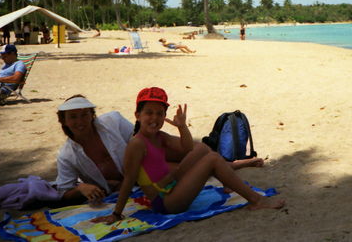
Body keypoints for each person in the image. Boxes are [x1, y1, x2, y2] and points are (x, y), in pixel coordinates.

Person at [93, 87, 284, 223]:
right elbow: (128, 180)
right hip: (166, 202)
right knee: (213, 158)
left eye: (160, 114)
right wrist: (117, 214)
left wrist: (182, 127)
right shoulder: (137, 144)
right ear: (137, 115)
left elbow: (187, 148)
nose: (154, 119)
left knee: (202, 148)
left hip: (172, 186)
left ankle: (227, 180)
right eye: (148, 113)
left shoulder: (160, 137)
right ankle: (257, 200)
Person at [55, 94, 263, 205]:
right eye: (73, 117)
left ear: (91, 115)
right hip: (138, 176)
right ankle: (233, 168)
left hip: (144, 158)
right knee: (191, 165)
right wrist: (82, 188)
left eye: (84, 115)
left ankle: (233, 166)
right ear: (63, 121)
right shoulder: (67, 156)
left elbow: (141, 137)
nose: (80, 121)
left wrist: (172, 135)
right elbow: (64, 192)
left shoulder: (111, 121)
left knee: (197, 150)